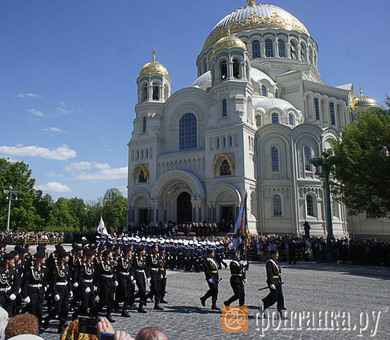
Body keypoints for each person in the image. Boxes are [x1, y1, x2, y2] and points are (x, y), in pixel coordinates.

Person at [44, 248, 72, 334]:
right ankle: (48, 319)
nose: (68, 258)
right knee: (57, 309)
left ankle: (61, 326)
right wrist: (55, 292)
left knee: (65, 308)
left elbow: (68, 279)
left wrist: (70, 289)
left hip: (65, 289)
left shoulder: (67, 266)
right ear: (63, 258)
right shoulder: (56, 268)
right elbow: (53, 281)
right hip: (58, 289)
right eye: (66, 257)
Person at [259, 250, 286, 317]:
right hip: (273, 281)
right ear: (272, 255)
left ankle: (280, 311)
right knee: (274, 297)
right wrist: (271, 283)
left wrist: (280, 280)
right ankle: (264, 305)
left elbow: (278, 273)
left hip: (278, 281)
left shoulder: (276, 262)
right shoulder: (269, 263)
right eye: (276, 254)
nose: (277, 256)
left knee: (280, 297)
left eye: (277, 254)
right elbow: (269, 273)